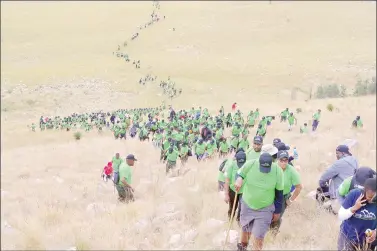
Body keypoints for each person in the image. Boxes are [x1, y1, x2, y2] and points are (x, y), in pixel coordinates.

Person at [234, 152, 284, 251]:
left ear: (272, 163)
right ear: (259, 162)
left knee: (259, 235)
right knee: (245, 230)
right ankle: (242, 248)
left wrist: (277, 211)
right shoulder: (250, 164)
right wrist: (239, 179)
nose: (265, 172)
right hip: (247, 204)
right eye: (263, 168)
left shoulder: (277, 171)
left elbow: (279, 194)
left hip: (265, 208)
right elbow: (239, 174)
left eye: (267, 169)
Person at [337, 177, 376, 251]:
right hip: (347, 237)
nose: (371, 200)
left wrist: (375, 232)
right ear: (364, 191)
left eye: (374, 198)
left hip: (367, 241)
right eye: (369, 197)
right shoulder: (354, 194)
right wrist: (354, 208)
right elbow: (340, 216)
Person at [317, 145, 359, 213]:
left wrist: (324, 188)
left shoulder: (339, 163)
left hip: (339, 196)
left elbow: (323, 179)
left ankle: (321, 213)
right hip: (352, 196)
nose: (336, 155)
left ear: (343, 153)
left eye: (337, 153)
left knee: (319, 193)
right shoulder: (354, 160)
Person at [270, 150, 302, 234]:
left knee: (277, 217)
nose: (284, 163)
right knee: (267, 216)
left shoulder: (291, 170)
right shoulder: (272, 167)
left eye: (286, 160)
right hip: (270, 195)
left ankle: (273, 235)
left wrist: (290, 200)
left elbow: (299, 187)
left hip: (283, 197)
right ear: (277, 160)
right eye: (281, 160)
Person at [224, 151, 246, 225]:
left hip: (244, 192)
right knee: (232, 208)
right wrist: (226, 194)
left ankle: (239, 223)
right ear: (236, 160)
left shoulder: (248, 165)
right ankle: (230, 221)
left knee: (243, 209)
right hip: (233, 190)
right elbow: (227, 180)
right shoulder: (232, 165)